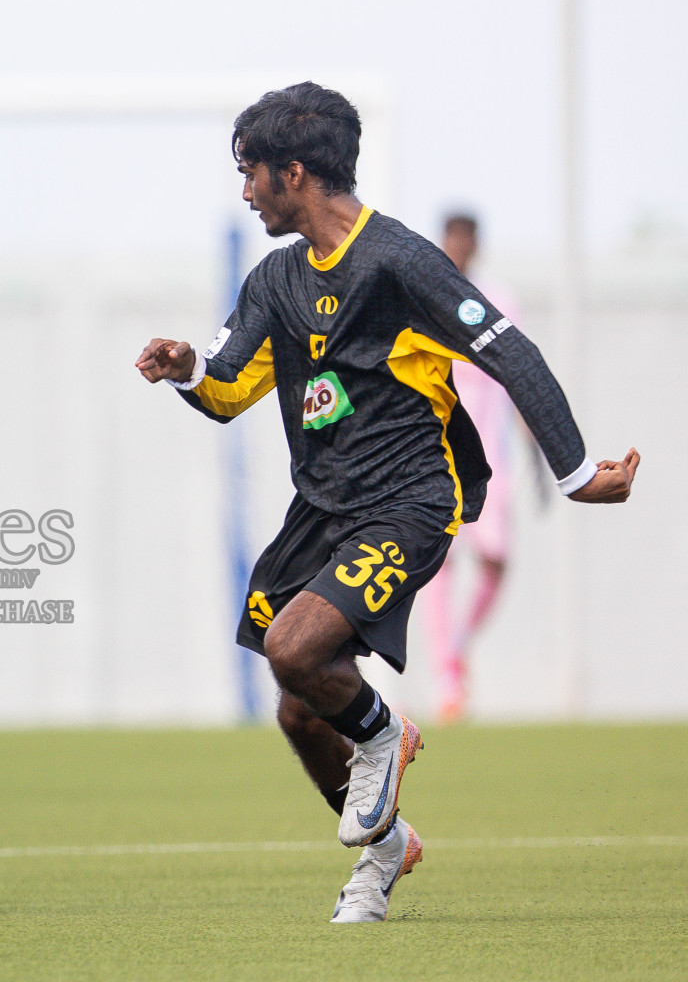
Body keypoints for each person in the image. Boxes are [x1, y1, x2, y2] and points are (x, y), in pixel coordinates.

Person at [135, 82, 638, 924]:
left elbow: (510, 353)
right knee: (299, 708)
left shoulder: (400, 262)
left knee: (295, 649)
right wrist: (188, 369)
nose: (246, 190)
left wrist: (577, 473)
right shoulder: (275, 280)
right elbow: (226, 391)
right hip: (321, 512)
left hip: (410, 502)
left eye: (251, 172)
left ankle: (383, 734)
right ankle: (385, 852)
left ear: (295, 172)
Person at [419, 213, 527, 721]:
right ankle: (447, 676)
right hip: (435, 457)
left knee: (496, 559)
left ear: (477, 245)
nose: (458, 247)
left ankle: (456, 652)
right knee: (439, 563)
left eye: (466, 240)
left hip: (490, 459)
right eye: (451, 239)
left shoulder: (498, 300)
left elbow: (522, 376)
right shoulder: (425, 297)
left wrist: (538, 443)